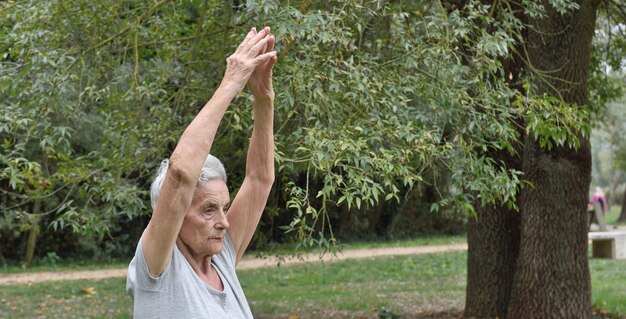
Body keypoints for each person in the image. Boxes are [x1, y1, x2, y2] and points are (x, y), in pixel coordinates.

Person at [126, 26, 277, 318]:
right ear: (176, 214)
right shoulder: (158, 269)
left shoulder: (221, 258)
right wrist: (232, 81)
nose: (224, 222)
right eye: (209, 209)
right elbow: (181, 173)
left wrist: (263, 98)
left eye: (224, 208)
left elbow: (260, 179)